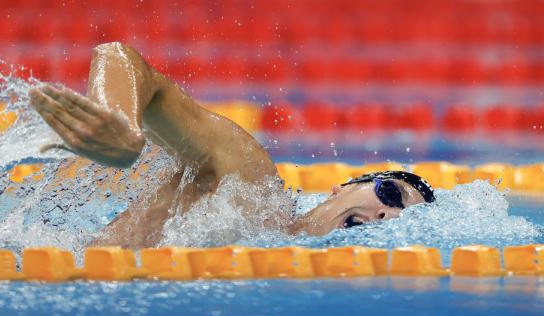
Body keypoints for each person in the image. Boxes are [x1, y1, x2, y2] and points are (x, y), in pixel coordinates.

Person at [29, 42, 434, 247]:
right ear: (343, 187)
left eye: (404, 222)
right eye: (390, 193)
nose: (387, 216)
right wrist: (119, 128)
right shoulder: (250, 186)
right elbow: (118, 55)